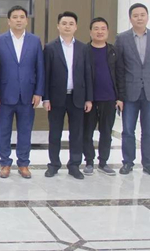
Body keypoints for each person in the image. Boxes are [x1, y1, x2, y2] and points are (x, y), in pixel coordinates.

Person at [115, 3, 150, 177]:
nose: (139, 18)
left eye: (142, 15)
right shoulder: (122, 38)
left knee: (149, 131)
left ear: (147, 17)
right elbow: (119, 66)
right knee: (128, 130)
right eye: (135, 15)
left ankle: (148, 163)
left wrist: (149, 75)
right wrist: (120, 93)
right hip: (129, 92)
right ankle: (127, 162)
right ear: (130, 18)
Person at [0, 5, 44, 179]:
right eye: (15, 17)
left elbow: (40, 68)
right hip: (5, 94)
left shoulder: (34, 41)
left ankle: (23, 163)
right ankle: (5, 163)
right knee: (4, 131)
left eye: (22, 17)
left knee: (25, 131)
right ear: (9, 21)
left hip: (28, 94)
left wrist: (38, 92)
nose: (18, 20)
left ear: (26, 21)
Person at [43, 11, 93, 180]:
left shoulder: (83, 48)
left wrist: (89, 98)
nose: (67, 26)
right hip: (56, 97)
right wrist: (46, 98)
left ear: (76, 27)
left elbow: (88, 74)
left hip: (77, 97)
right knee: (54, 133)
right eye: (64, 23)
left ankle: (74, 165)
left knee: (76, 133)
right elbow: (46, 74)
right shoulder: (50, 47)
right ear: (58, 26)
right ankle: (54, 164)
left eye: (71, 24)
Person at [82, 17, 120, 176]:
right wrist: (86, 98)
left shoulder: (113, 51)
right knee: (87, 132)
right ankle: (89, 162)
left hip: (109, 98)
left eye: (103, 28)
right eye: (96, 28)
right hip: (89, 99)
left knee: (106, 132)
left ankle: (103, 162)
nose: (99, 32)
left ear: (108, 31)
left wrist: (120, 97)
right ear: (90, 32)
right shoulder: (83, 51)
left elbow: (120, 75)